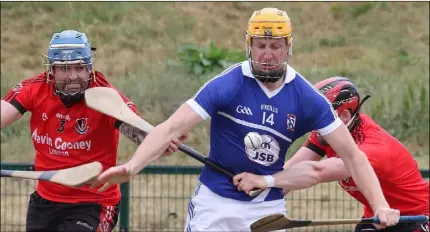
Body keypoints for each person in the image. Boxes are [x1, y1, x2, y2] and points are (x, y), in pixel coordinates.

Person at [93, 8, 400, 231]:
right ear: (249, 45)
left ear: (288, 48)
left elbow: (353, 155)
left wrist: (381, 206)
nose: (267, 54)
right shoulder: (228, 84)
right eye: (260, 46)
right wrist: (132, 166)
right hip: (214, 204)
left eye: (275, 47)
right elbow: (171, 128)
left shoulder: (307, 98)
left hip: (267, 209)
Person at [1, 30, 182, 232]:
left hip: (95, 203)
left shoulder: (106, 98)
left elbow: (140, 132)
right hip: (46, 201)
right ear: (51, 69)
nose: (73, 76)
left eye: (80, 67)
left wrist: (158, 140)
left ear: (89, 67)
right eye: (64, 68)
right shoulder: (34, 89)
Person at [233, 77, 429, 232]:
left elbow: (317, 171)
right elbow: (291, 168)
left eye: (321, 114)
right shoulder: (327, 134)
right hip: (377, 216)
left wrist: (265, 181)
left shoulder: (373, 149)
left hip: (417, 217)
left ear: (344, 116)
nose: (314, 121)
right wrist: (253, 199)